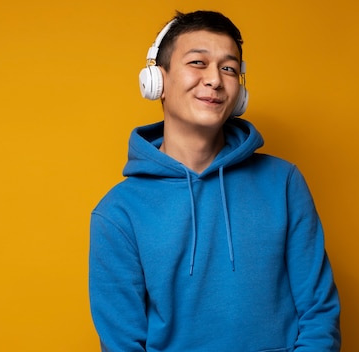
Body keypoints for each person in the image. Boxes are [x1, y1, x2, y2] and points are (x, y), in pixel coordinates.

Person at [88, 10, 341, 352]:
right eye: (197, 63)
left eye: (229, 68)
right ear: (156, 80)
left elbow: (319, 312)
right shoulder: (117, 213)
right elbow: (122, 343)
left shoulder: (283, 182)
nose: (215, 80)